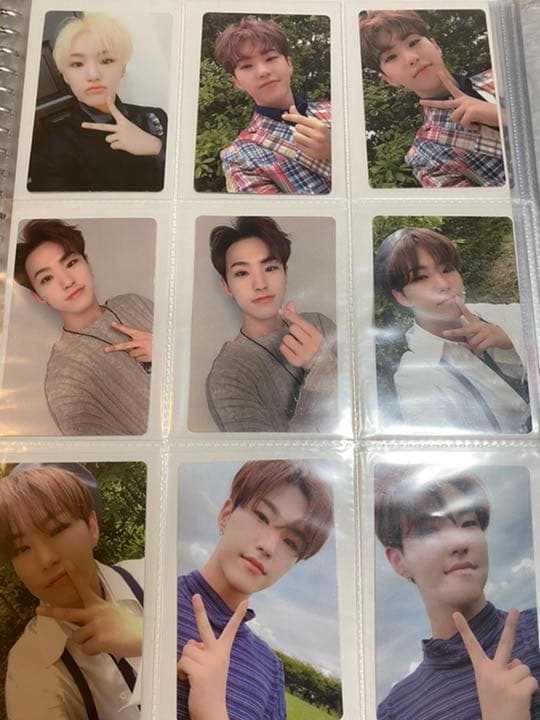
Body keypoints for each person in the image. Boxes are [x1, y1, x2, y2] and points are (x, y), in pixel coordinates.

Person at [375, 465, 540, 719]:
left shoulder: (535, 631)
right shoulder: (397, 711)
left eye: (469, 523)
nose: (460, 542)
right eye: (430, 530)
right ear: (398, 561)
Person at [177, 459, 334, 719]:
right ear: (226, 514)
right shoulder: (141, 600)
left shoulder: (269, 671)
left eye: (291, 543)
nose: (268, 547)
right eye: (262, 516)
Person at [0, 463, 145, 720]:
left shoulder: (150, 578)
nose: (46, 559)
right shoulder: (30, 665)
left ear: (92, 527)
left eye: (57, 529)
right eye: (22, 548)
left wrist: (148, 639)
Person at [374, 227, 530, 433]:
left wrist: (511, 339)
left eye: (447, 269)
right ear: (402, 297)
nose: (443, 284)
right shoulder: (416, 377)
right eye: (421, 277)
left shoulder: (495, 315)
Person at [14, 219, 153, 435]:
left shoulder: (133, 303)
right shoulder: (65, 379)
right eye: (47, 278)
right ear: (38, 296)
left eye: (70, 263)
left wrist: (166, 351)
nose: (67, 281)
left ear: (87, 262)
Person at [205, 217, 338, 432]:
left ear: (285, 273)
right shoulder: (228, 375)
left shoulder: (318, 323)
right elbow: (274, 456)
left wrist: (322, 364)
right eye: (242, 273)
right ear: (227, 286)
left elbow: (368, 402)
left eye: (270, 268)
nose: (260, 284)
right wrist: (319, 368)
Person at [360, 10, 505, 187]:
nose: (411, 58)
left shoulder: (506, 78)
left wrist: (506, 117)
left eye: (413, 42)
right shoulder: (425, 157)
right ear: (389, 79)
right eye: (391, 57)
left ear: (435, 46)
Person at [29, 12, 167, 192]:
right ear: (65, 76)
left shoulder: (155, 117)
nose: (93, 75)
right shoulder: (52, 149)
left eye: (106, 60)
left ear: (122, 69)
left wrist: (156, 147)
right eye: (77, 64)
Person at [212, 17, 331, 194]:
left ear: (289, 64)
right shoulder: (239, 157)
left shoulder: (335, 111)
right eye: (246, 66)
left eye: (270, 58)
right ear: (237, 82)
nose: (263, 71)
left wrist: (335, 150)